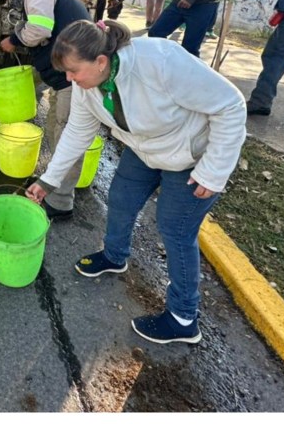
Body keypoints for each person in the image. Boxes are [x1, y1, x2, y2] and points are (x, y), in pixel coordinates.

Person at [25, 20, 246, 344]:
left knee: (175, 231)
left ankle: (184, 317)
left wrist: (213, 171)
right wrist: (48, 181)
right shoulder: (88, 86)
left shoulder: (161, 60)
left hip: (191, 157)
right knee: (121, 199)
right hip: (145, 150)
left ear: (101, 61)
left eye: (73, 71)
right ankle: (114, 256)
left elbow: (230, 105)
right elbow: (77, 132)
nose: (69, 79)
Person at [0, 0, 92, 217]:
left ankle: (60, 202)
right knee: (54, 127)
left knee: (66, 136)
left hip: (76, 77)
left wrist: (13, 40)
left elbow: (39, 30)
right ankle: (51, 183)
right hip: (66, 76)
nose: (7, 1)